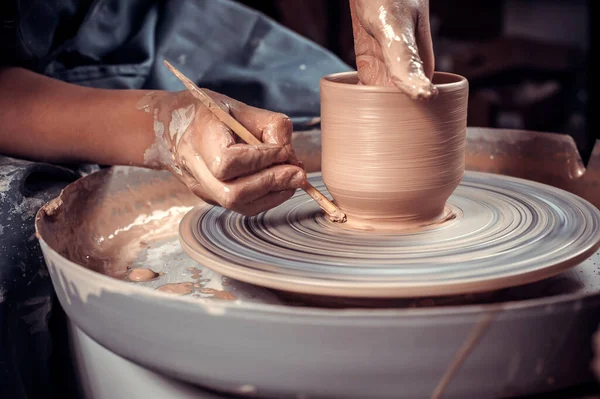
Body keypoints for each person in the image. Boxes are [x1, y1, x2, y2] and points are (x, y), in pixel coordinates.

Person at [0, 0, 434, 397]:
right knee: (17, 251)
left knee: (331, 107)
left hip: (130, 17)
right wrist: (161, 124)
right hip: (18, 97)